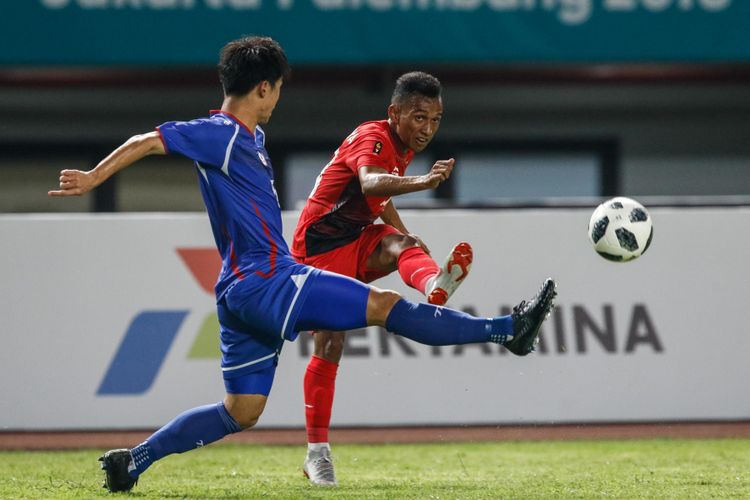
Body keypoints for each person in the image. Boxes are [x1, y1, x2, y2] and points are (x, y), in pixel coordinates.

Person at [48, 36, 557, 493]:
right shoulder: (222, 133)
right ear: (264, 89)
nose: (278, 99)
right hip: (272, 278)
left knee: (240, 411)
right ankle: (507, 330)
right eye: (279, 90)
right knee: (383, 306)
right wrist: (94, 177)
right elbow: (148, 140)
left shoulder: (246, 140)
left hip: (238, 291)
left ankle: (134, 461)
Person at [291, 71, 474, 485]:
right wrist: (425, 181)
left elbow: (379, 198)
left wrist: (406, 233)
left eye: (436, 120)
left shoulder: (402, 146)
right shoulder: (372, 136)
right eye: (419, 117)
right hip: (318, 248)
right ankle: (316, 453)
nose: (427, 129)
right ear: (394, 113)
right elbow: (371, 181)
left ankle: (434, 285)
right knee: (330, 341)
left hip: (357, 236)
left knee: (401, 245)